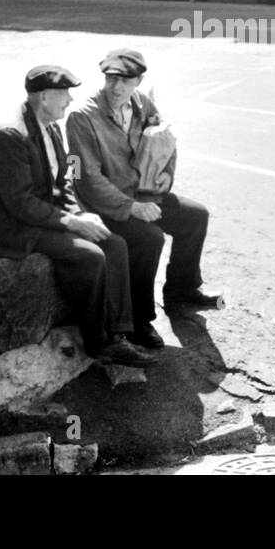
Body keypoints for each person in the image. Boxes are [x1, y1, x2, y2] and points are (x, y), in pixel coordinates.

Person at [0, 65, 157, 368]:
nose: (70, 100)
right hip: (14, 228)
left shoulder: (50, 126)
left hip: (43, 217)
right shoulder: (11, 135)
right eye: (64, 94)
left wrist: (82, 215)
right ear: (44, 97)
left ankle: (120, 332)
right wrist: (71, 222)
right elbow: (20, 203)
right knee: (91, 256)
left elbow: (64, 185)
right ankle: (99, 342)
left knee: (114, 244)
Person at [66, 48, 222, 346]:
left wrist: (166, 174)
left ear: (138, 80)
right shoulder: (82, 116)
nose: (116, 87)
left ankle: (181, 291)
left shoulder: (142, 103)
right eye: (111, 79)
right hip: (105, 205)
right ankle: (137, 320)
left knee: (195, 216)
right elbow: (86, 179)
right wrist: (131, 207)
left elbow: (164, 140)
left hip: (143, 193)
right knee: (148, 238)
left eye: (125, 80)